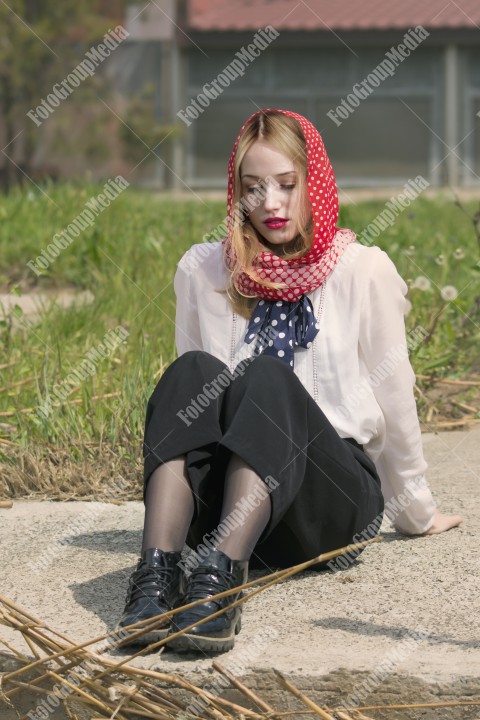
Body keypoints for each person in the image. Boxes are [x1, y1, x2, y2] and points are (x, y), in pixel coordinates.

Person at [117, 108, 462, 655]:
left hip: (328, 501)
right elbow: (193, 419)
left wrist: (416, 510)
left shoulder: (362, 271)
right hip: (237, 498)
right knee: (190, 373)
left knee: (267, 376)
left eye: (286, 184)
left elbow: (395, 398)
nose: (269, 204)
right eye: (252, 188)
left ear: (315, 182)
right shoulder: (202, 271)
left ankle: (220, 586)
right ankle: (155, 579)